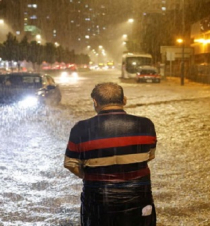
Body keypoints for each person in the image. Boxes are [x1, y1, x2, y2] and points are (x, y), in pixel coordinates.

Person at [64, 82, 157, 226]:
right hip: (139, 199)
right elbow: (149, 156)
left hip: (98, 203)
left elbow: (70, 163)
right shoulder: (145, 125)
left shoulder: (80, 128)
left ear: (95, 102)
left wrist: (90, 175)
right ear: (124, 100)